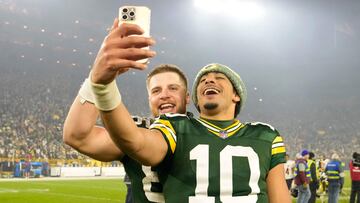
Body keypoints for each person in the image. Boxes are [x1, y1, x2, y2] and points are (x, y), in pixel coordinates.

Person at [90, 41, 291, 203]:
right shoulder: (175, 126)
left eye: (219, 78)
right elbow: (136, 143)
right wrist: (102, 86)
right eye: (202, 81)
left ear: (236, 95)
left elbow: (280, 198)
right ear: (195, 98)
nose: (209, 81)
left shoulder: (266, 135)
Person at [63, 18, 190, 202]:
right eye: (156, 91)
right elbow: (77, 136)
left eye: (173, 88)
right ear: (149, 99)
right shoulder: (134, 130)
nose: (164, 95)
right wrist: (97, 80)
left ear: (187, 97)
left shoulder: (203, 130)